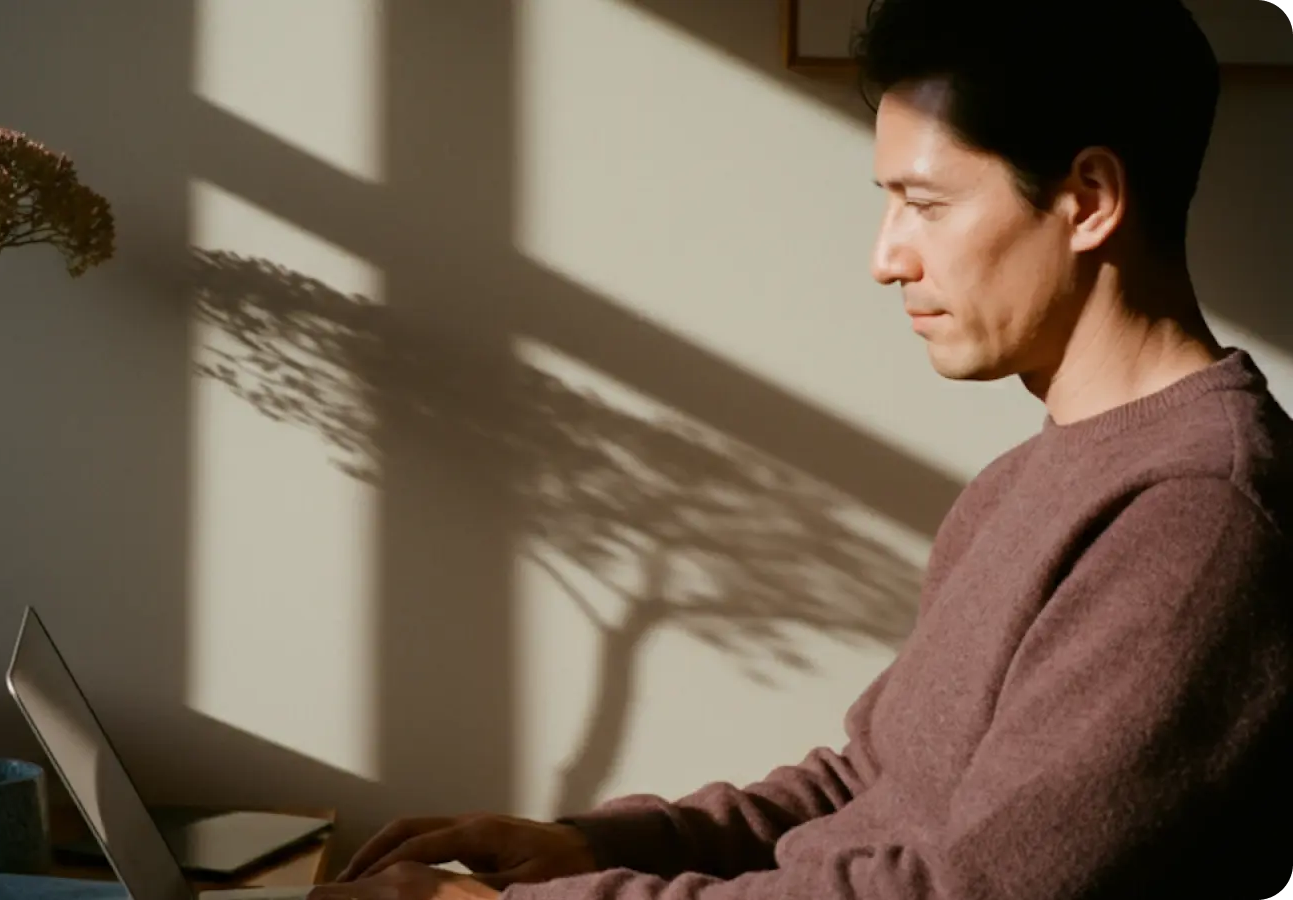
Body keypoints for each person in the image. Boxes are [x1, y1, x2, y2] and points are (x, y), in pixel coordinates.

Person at [308, 0, 1293, 898]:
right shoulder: (1031, 479)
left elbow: (962, 894)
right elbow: (872, 784)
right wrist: (596, 846)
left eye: (926, 204)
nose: (885, 258)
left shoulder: (1196, 517)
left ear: (1089, 199)